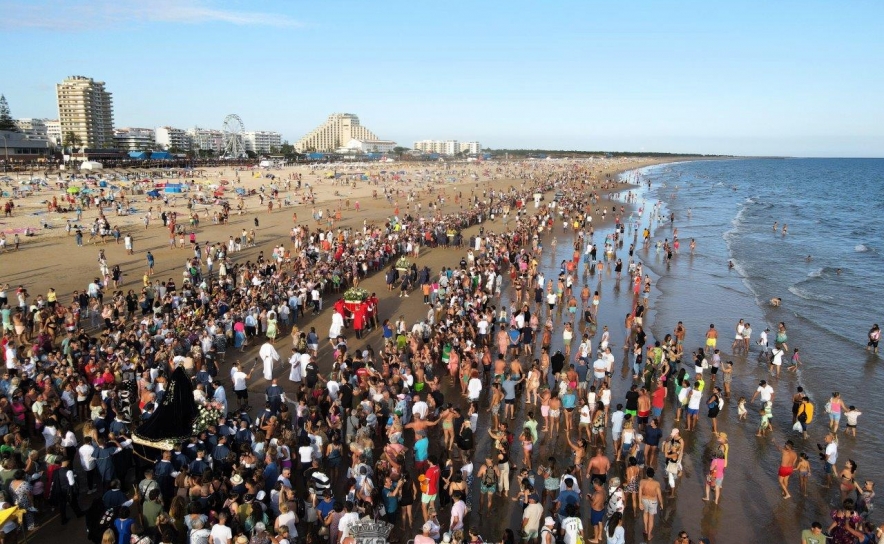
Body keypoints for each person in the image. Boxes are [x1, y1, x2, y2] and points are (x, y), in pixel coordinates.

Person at [638, 467, 663, 541]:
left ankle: (645, 529)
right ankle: (649, 535)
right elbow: (659, 495)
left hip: (644, 499)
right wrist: (661, 503)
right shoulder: (656, 483)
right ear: (653, 474)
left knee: (645, 513)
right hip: (653, 501)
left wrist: (639, 502)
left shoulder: (642, 481)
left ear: (646, 474)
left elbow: (639, 493)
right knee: (651, 518)